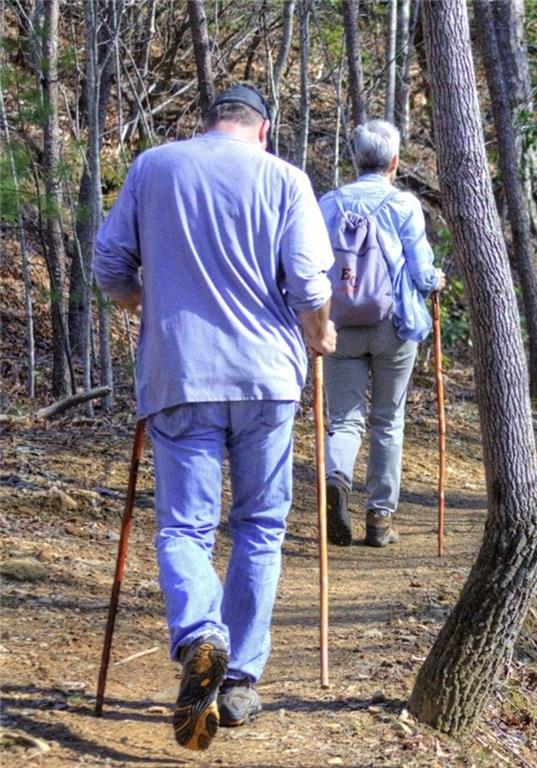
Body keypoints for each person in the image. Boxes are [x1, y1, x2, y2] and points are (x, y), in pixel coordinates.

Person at [95, 84, 336, 751]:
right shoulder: (286, 179)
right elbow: (309, 285)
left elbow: (110, 265)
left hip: (180, 373)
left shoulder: (154, 166)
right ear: (261, 130)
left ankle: (201, 634)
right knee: (259, 524)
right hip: (266, 377)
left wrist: (143, 302)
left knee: (184, 527)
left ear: (210, 123)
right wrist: (318, 333)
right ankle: (239, 682)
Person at [318, 120, 445, 548]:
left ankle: (337, 477)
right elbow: (422, 272)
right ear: (394, 161)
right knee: (388, 420)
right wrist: (436, 281)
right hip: (394, 326)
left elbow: (314, 266)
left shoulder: (328, 203)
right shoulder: (404, 205)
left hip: (339, 326)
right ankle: (379, 518)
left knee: (343, 420)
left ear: (355, 160)